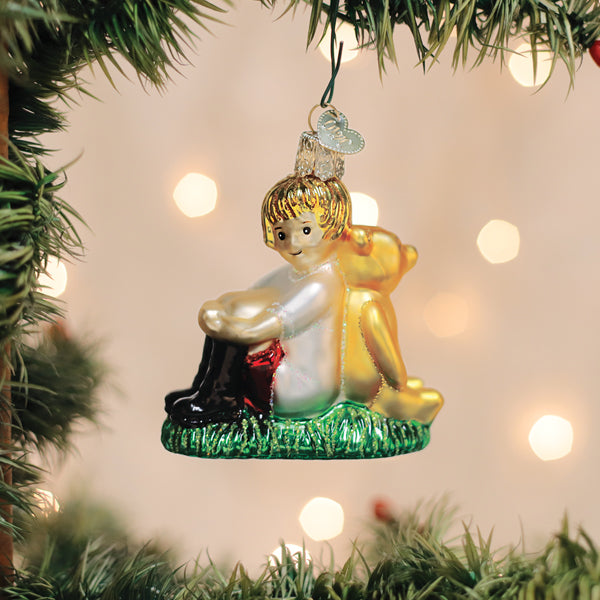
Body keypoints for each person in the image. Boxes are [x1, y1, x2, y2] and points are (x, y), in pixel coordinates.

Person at [167, 173, 350, 427]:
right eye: (282, 234)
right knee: (233, 308)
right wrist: (218, 309)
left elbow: (262, 328)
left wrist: (219, 323)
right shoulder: (294, 273)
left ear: (332, 226)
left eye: (305, 230)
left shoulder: (321, 284)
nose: (292, 243)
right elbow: (248, 296)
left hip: (299, 386)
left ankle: (222, 397)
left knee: (236, 321)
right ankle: (205, 386)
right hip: (282, 365)